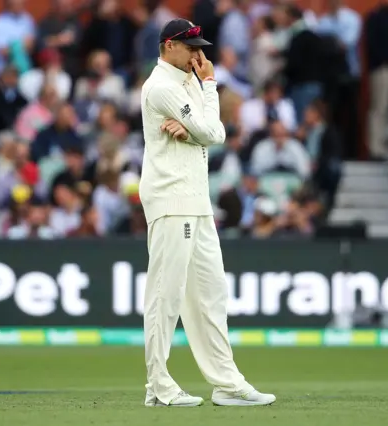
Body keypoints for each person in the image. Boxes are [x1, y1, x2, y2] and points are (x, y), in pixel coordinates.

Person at [139, 18, 276, 408]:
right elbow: (214, 133)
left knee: (211, 295)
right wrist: (209, 92)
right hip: (171, 198)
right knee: (166, 294)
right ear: (168, 46)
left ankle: (226, 383)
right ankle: (158, 386)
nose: (199, 55)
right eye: (190, 47)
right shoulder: (162, 86)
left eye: (201, 47)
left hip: (195, 201)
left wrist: (198, 116)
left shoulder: (187, 82)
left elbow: (210, 130)